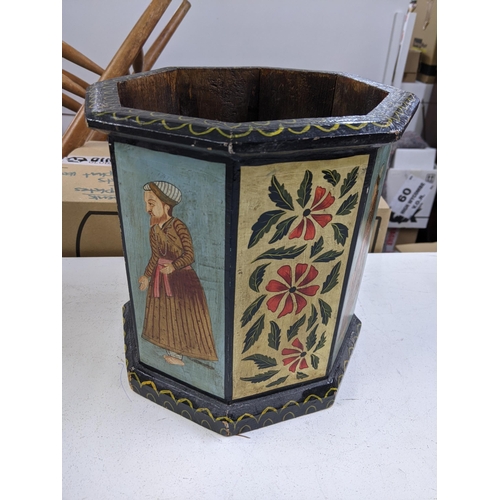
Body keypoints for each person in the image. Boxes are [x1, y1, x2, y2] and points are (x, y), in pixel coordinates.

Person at [138, 181, 218, 365]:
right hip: (161, 279)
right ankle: (171, 352)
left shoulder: (178, 226)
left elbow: (190, 255)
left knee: (182, 315)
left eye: (151, 203)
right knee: (166, 315)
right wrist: (146, 276)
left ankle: (181, 355)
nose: (147, 209)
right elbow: (155, 256)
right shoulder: (154, 230)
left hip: (181, 279)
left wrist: (174, 266)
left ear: (166, 205)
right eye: (146, 204)